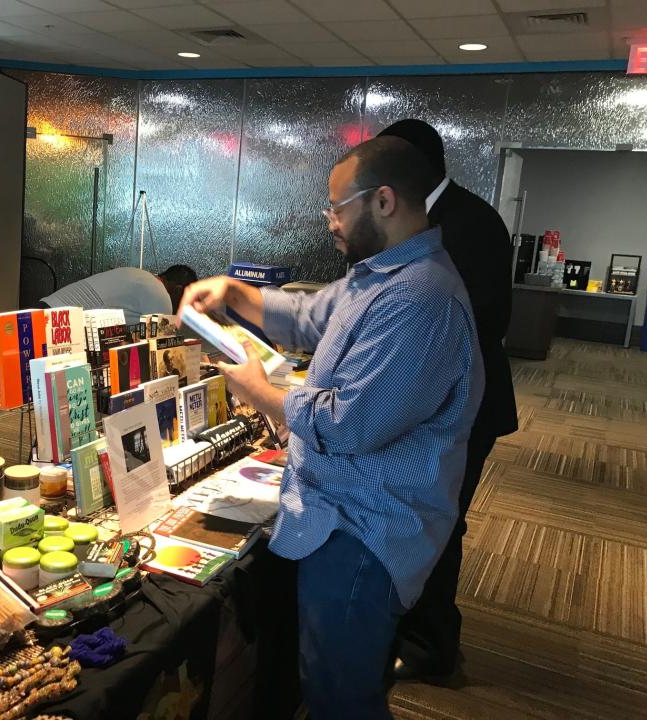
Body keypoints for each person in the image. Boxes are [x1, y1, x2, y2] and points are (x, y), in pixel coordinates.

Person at [179, 136, 484, 719]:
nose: (330, 222)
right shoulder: (379, 275)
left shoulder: (421, 296)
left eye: (337, 207)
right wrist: (235, 293)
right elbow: (306, 316)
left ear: (384, 201)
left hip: (365, 533)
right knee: (324, 680)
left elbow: (350, 426)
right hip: (335, 517)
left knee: (341, 698)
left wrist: (260, 393)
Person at [378, 119, 519, 682]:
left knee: (440, 523)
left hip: (464, 406)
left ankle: (432, 649)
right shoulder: (415, 213)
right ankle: (409, 629)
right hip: (428, 404)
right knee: (419, 520)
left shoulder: (471, 222)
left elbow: (485, 320)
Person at [40, 265, 198, 326]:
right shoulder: (160, 295)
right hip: (59, 325)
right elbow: (160, 349)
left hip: (43, 312)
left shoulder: (138, 275)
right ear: (177, 291)